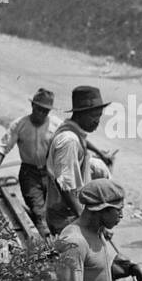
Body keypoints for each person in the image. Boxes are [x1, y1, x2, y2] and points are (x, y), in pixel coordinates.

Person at [0, 88, 61, 234]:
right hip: (29, 173)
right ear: (32, 106)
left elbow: (71, 146)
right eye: (39, 109)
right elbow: (3, 147)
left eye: (45, 111)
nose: (42, 114)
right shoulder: (19, 124)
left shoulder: (57, 126)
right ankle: (44, 246)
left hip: (52, 174)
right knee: (39, 212)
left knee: (55, 214)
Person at [44, 86, 112, 235]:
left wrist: (100, 154)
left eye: (99, 116)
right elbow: (65, 186)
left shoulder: (72, 132)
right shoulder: (69, 141)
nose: (97, 121)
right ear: (81, 114)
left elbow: (83, 143)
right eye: (94, 116)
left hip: (69, 212)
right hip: (65, 216)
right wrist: (86, 220)